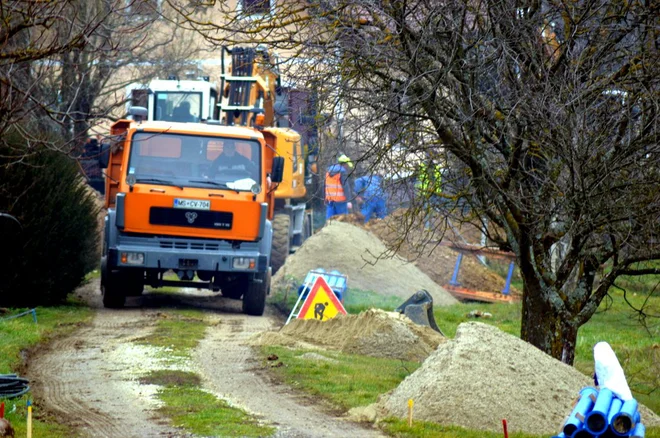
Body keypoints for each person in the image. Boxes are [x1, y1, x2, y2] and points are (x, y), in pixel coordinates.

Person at [324, 154, 354, 219]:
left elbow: (326, 185)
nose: (347, 167)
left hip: (330, 200)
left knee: (330, 220)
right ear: (344, 164)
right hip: (341, 201)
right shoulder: (342, 172)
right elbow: (345, 187)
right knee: (343, 220)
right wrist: (349, 201)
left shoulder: (328, 171)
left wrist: (326, 197)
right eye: (347, 165)